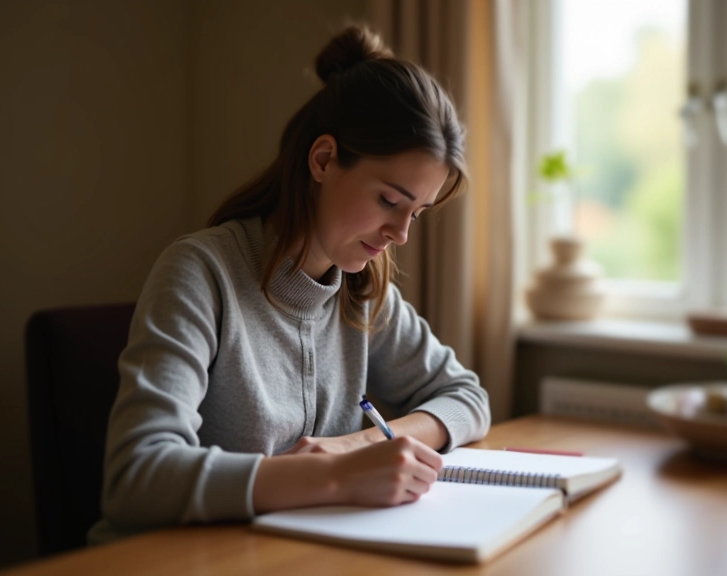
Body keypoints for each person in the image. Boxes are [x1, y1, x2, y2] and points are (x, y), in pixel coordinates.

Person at [88, 24, 491, 543]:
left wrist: (354, 447)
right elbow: (136, 477)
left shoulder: (363, 293)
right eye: (390, 201)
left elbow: (467, 396)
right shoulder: (200, 273)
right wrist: (333, 476)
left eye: (417, 212)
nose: (401, 234)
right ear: (323, 160)